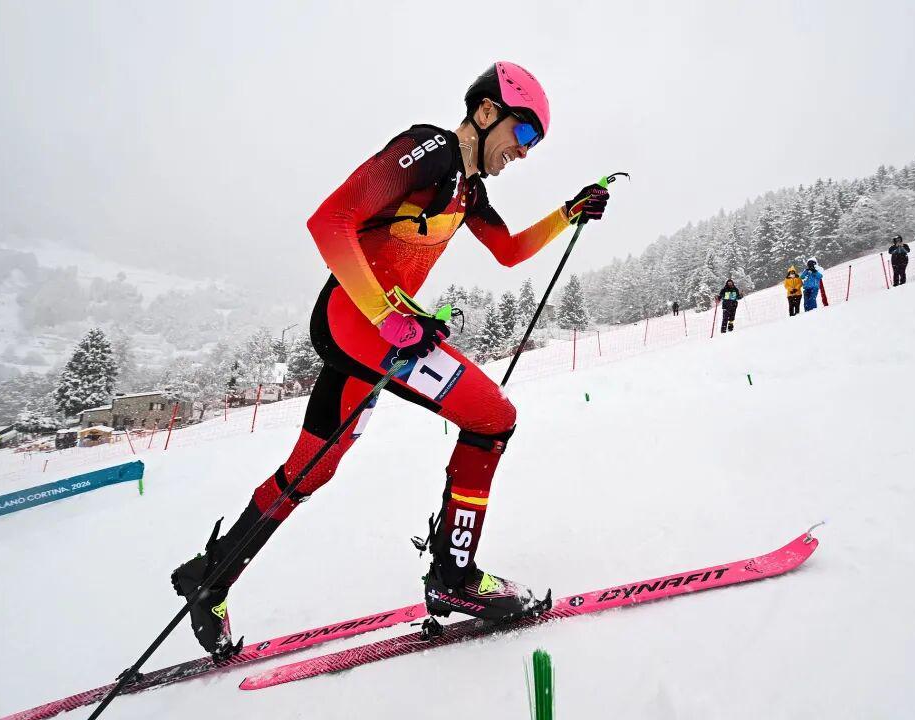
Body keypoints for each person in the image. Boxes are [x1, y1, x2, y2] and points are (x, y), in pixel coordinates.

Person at [170, 62, 611, 659]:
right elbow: (330, 221)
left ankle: (212, 576)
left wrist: (569, 212)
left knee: (312, 467)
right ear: (487, 112)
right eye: (525, 132)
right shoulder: (431, 150)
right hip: (363, 324)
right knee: (493, 418)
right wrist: (386, 317)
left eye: (535, 141)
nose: (525, 151)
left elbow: (508, 252)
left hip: (374, 333)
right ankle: (455, 576)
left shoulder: (469, 191)